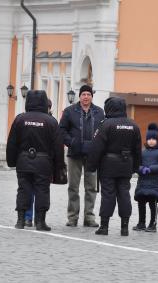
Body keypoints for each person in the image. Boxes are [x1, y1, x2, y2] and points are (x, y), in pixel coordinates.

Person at [6, 90, 65, 231]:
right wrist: (59, 166)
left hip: (23, 160)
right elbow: (58, 147)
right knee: (42, 191)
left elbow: (12, 143)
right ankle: (40, 222)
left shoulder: (20, 119)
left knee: (23, 189)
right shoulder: (51, 121)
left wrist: (12, 161)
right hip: (44, 162)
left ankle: (20, 220)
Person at [86, 96, 142, 236]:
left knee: (108, 195)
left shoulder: (106, 124)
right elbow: (137, 149)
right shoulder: (133, 125)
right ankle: (124, 227)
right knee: (124, 194)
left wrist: (91, 166)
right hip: (126, 164)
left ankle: (104, 226)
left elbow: (96, 147)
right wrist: (136, 166)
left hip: (108, 165)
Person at [59, 85, 105, 227]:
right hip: (74, 154)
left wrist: (98, 146)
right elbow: (61, 131)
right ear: (79, 96)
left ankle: (89, 217)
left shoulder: (99, 112)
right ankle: (72, 217)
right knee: (73, 186)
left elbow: (103, 131)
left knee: (91, 187)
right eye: (83, 94)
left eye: (88, 94)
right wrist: (71, 142)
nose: (86, 97)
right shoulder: (69, 111)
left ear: (92, 96)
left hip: (92, 155)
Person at [133, 123, 158, 233]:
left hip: (154, 183)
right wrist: (141, 169)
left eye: (154, 139)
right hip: (143, 182)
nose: (151, 141)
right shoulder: (142, 153)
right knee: (141, 203)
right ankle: (141, 223)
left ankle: (153, 224)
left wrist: (151, 169)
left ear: (157, 140)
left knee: (152, 204)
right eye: (149, 139)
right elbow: (135, 165)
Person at [23, 98, 55, 227]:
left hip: (32, 160)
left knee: (34, 190)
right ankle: (32, 218)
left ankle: (33, 218)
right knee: (35, 190)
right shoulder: (51, 122)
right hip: (43, 161)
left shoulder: (24, 119)